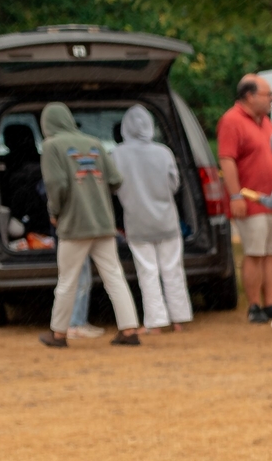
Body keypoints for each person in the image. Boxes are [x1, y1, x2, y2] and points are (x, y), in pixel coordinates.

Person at [36, 102, 140, 348]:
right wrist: (96, 192)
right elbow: (116, 179)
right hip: (103, 222)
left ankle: (59, 334)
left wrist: (55, 212)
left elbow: (57, 184)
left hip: (74, 224)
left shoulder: (51, 146)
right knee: (114, 276)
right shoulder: (94, 143)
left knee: (67, 280)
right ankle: (129, 330)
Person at [113, 105, 190, 334]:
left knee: (147, 272)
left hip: (137, 222)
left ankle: (156, 322)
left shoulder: (116, 154)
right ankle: (179, 319)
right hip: (167, 221)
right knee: (173, 269)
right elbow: (174, 185)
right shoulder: (163, 152)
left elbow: (113, 186)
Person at [217, 75, 272, 321]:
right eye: (267, 95)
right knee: (255, 253)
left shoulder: (265, 121)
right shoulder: (231, 120)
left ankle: (271, 304)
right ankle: (254, 305)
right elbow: (227, 159)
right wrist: (236, 195)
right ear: (249, 96)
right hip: (250, 201)